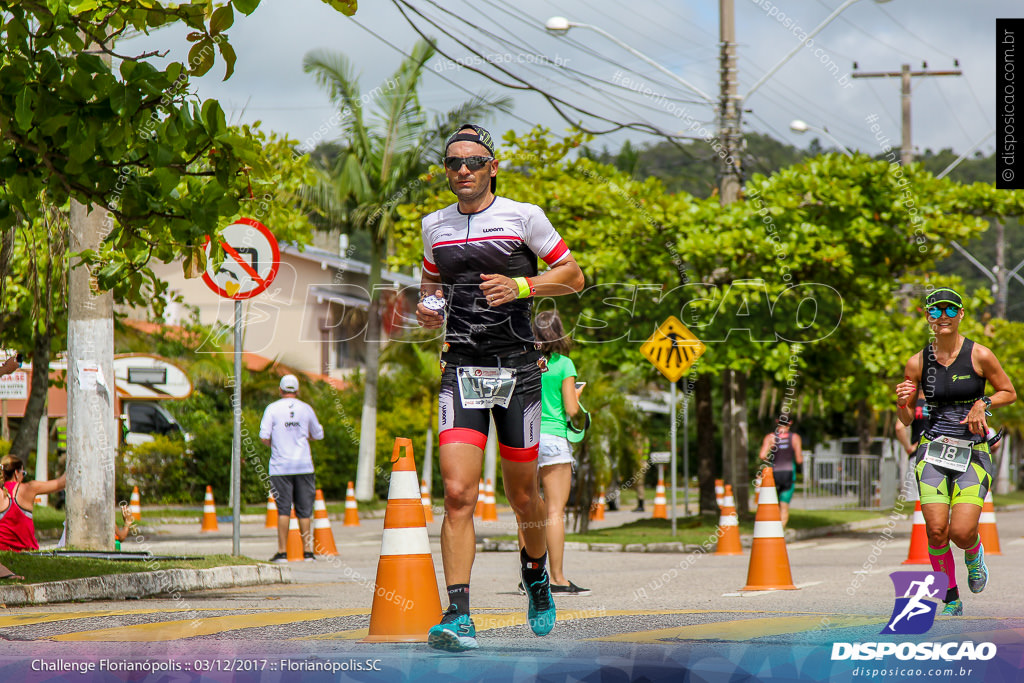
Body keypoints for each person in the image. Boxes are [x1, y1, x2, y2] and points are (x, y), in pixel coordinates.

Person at [417, 123, 585, 651]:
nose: (462, 169)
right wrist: (430, 308)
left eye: (473, 161)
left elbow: (574, 276)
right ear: (445, 171)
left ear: (493, 166)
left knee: (522, 496)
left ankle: (537, 576)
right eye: (452, 162)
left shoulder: (524, 216)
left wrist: (522, 285)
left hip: (517, 369)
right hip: (461, 368)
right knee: (458, 493)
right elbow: (432, 285)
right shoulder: (433, 227)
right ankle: (458, 614)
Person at [895, 287, 1016, 616]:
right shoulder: (918, 361)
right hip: (932, 451)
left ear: (961, 314)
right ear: (927, 317)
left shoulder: (980, 355)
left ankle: (973, 554)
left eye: (950, 310)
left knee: (961, 532)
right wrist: (902, 402)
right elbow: (905, 418)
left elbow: (1009, 392)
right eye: (935, 311)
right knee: (936, 530)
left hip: (973, 452)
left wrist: (984, 402)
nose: (943, 317)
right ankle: (950, 598)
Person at [515, 310, 589, 597]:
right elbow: (571, 410)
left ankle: (528, 578)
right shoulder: (565, 365)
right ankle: (556, 578)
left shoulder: (524, 360)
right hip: (554, 438)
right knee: (555, 510)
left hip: (523, 437)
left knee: (525, 509)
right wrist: (578, 399)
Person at [259, 374, 324, 563]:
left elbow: (264, 436)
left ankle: (282, 553)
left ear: (280, 390)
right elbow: (318, 434)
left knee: (283, 510)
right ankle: (308, 552)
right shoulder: (306, 408)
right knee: (305, 511)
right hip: (304, 465)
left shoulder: (272, 409)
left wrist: (277, 444)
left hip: (280, 468)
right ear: (297, 390)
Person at [0, 455, 66, 551]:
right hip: (26, 551)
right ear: (16, 473)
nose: (23, 476)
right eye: (23, 473)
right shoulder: (28, 489)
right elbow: (61, 483)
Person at [757, 417, 803, 526]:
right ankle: (781, 530)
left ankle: (774, 530)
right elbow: (799, 459)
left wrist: (772, 459)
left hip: (775, 473)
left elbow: (762, 455)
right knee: (784, 505)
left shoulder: (771, 437)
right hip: (788, 473)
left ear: (777, 421)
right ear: (790, 423)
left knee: (775, 503)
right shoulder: (795, 437)